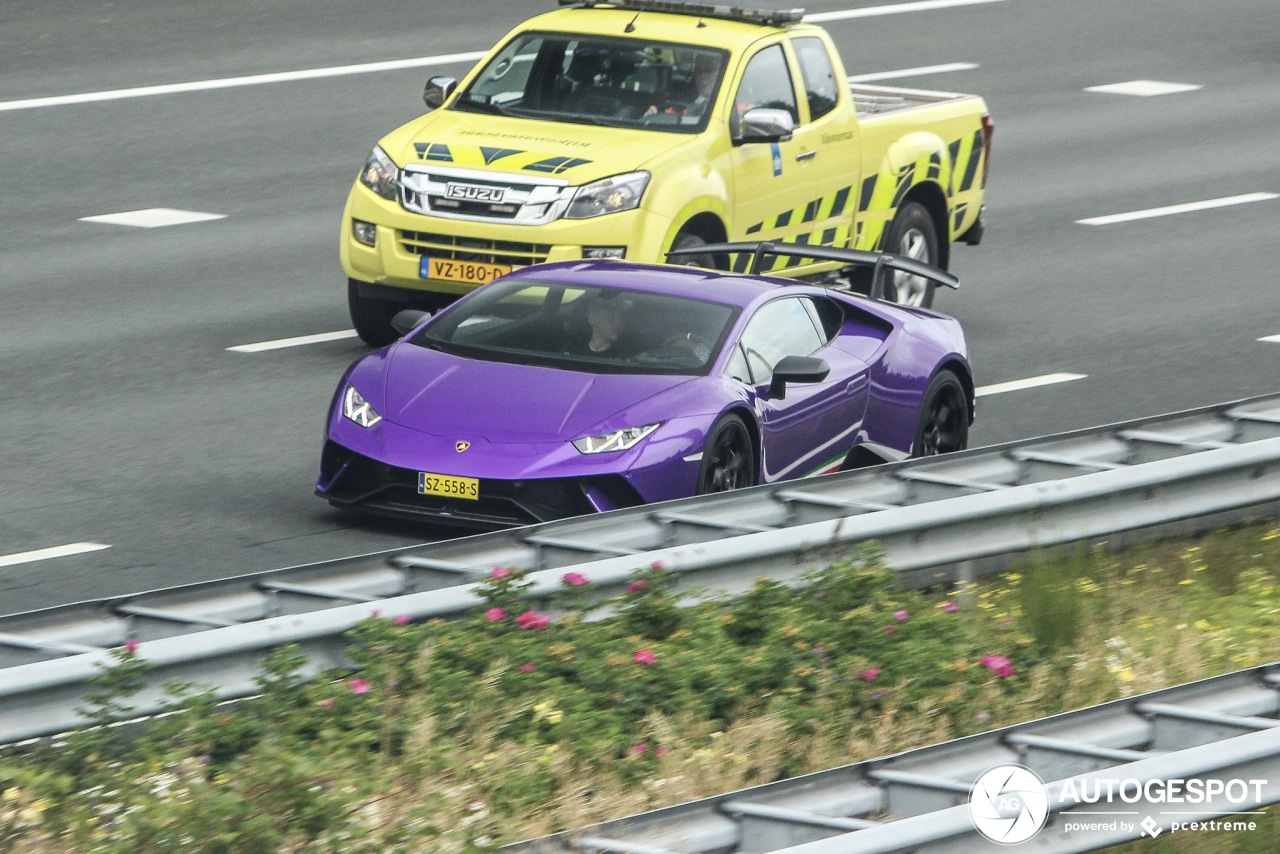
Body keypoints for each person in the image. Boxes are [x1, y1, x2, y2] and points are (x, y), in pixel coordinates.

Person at [644, 52, 721, 120]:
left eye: (708, 70)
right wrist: (650, 118)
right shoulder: (694, 102)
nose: (702, 76)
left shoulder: (726, 105)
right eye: (698, 70)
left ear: (721, 72)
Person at [570, 291, 636, 357]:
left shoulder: (623, 359)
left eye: (622, 319)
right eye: (611, 316)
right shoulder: (573, 355)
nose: (618, 323)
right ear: (592, 315)